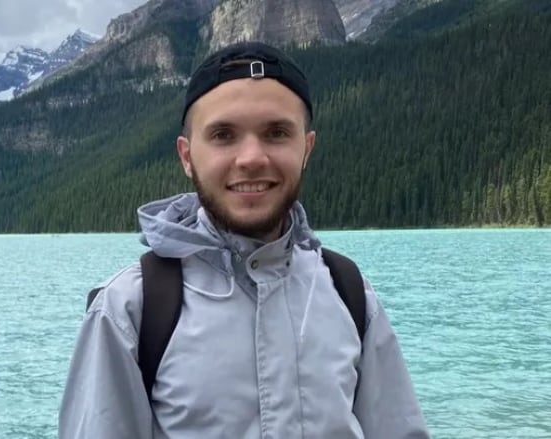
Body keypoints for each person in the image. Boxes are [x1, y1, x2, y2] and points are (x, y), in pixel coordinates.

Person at [58, 41, 429, 438]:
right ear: (187, 156)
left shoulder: (350, 293)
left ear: (306, 148)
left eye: (276, 133)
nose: (251, 157)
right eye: (223, 135)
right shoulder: (129, 310)